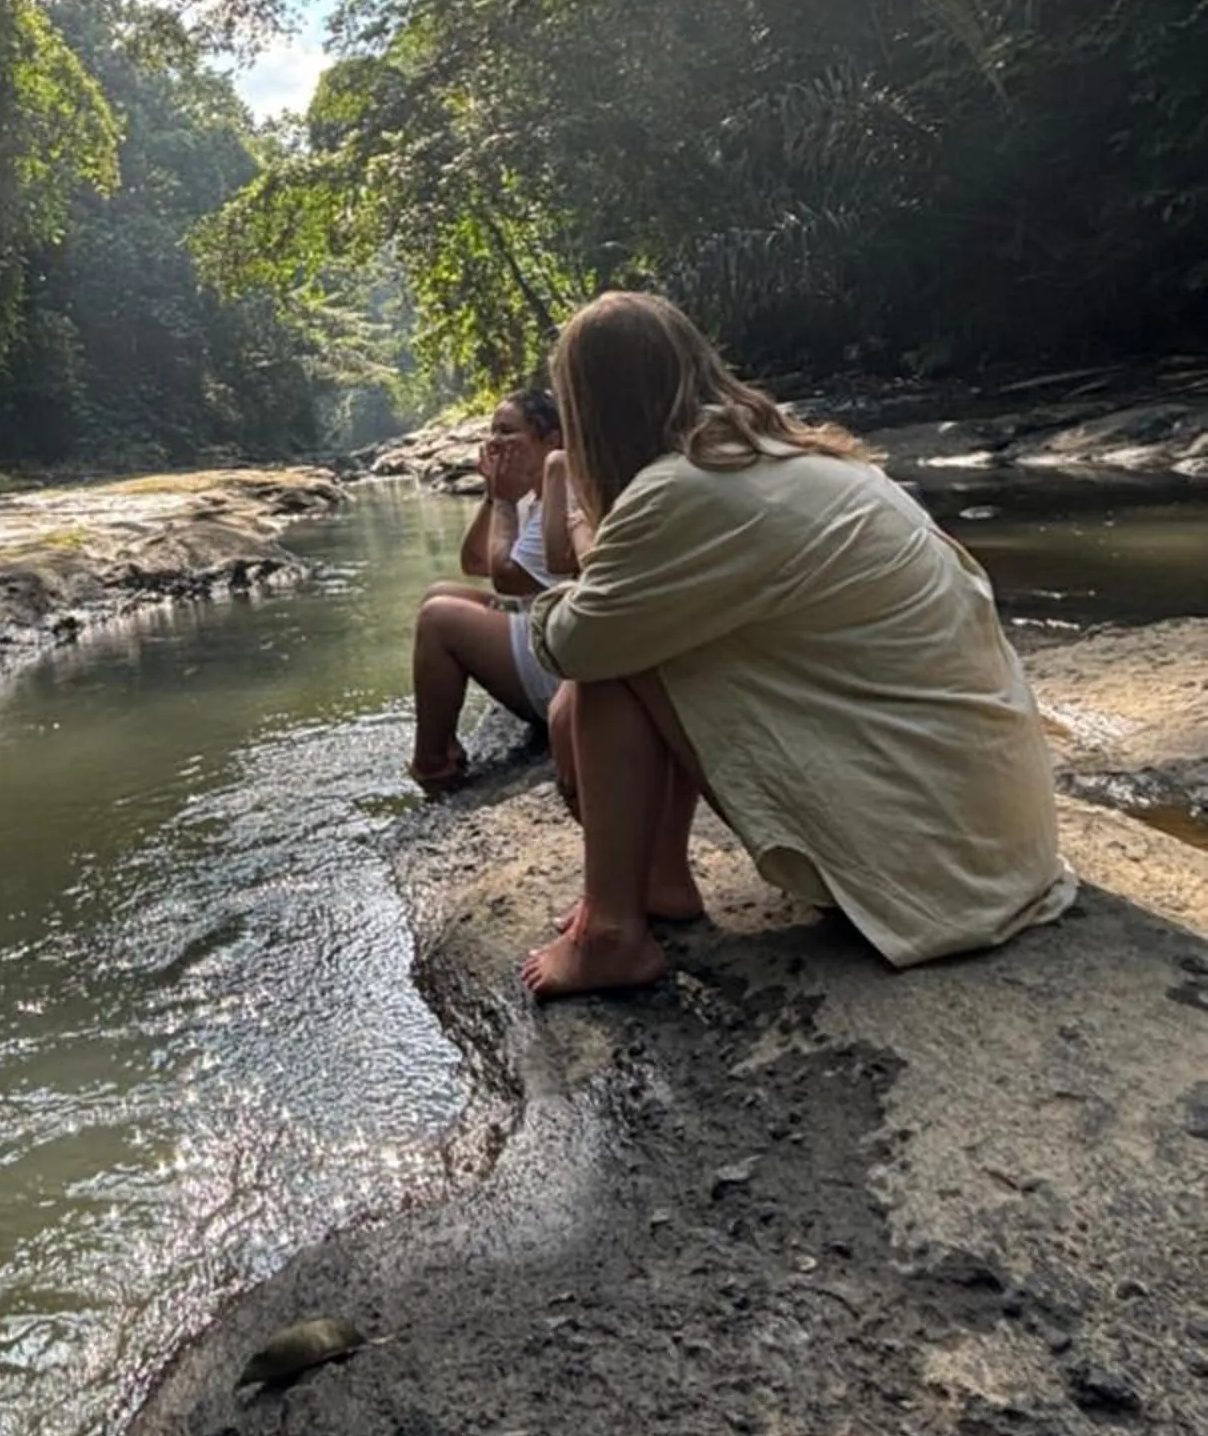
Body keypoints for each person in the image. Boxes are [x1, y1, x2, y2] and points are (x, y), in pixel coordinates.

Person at [516, 291, 1074, 1001]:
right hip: (997, 838)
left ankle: (612, 932)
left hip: (937, 870)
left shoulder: (681, 491)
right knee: (654, 631)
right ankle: (657, 875)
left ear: (591, 411)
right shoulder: (795, 455)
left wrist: (578, 529)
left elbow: (573, 646)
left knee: (614, 663)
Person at [407, 386, 572, 792]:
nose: (495, 441)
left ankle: (432, 765)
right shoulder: (528, 491)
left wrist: (502, 503)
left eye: (508, 431)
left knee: (438, 620)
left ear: (550, 441)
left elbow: (507, 578)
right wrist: (491, 495)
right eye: (492, 430)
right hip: (551, 628)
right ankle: (444, 744)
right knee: (439, 593)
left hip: (569, 665)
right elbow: (475, 563)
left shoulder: (562, 491)